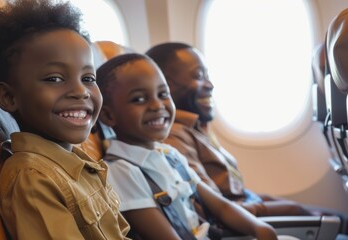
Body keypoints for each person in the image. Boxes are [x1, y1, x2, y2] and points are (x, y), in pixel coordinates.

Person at [0, 0, 130, 239]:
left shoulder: (79, 161)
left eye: (88, 78)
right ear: (9, 97)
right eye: (54, 79)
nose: (81, 91)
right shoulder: (32, 178)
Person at [96, 53, 278, 240]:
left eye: (163, 94)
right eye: (139, 99)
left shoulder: (170, 155)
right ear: (109, 115)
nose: (157, 105)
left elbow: (221, 207)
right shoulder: (121, 172)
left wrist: (259, 228)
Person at [145, 42, 327, 217]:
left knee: (325, 215)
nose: (210, 85)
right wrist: (286, 210)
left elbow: (233, 193)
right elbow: (212, 207)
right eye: (199, 76)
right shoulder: (175, 137)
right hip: (238, 217)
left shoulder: (196, 127)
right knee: (321, 217)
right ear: (165, 86)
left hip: (244, 203)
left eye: (207, 76)